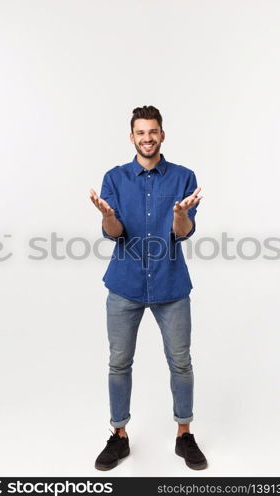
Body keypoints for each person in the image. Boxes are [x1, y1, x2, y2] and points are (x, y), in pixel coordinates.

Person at [89, 105, 207, 471]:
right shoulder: (115, 178)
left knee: (181, 363)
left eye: (153, 131)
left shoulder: (184, 177)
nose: (147, 138)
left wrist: (179, 214)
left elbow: (183, 233)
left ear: (162, 135)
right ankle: (119, 435)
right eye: (140, 132)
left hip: (171, 284)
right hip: (124, 284)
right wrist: (108, 217)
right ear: (132, 137)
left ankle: (184, 434)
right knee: (119, 363)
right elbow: (115, 234)